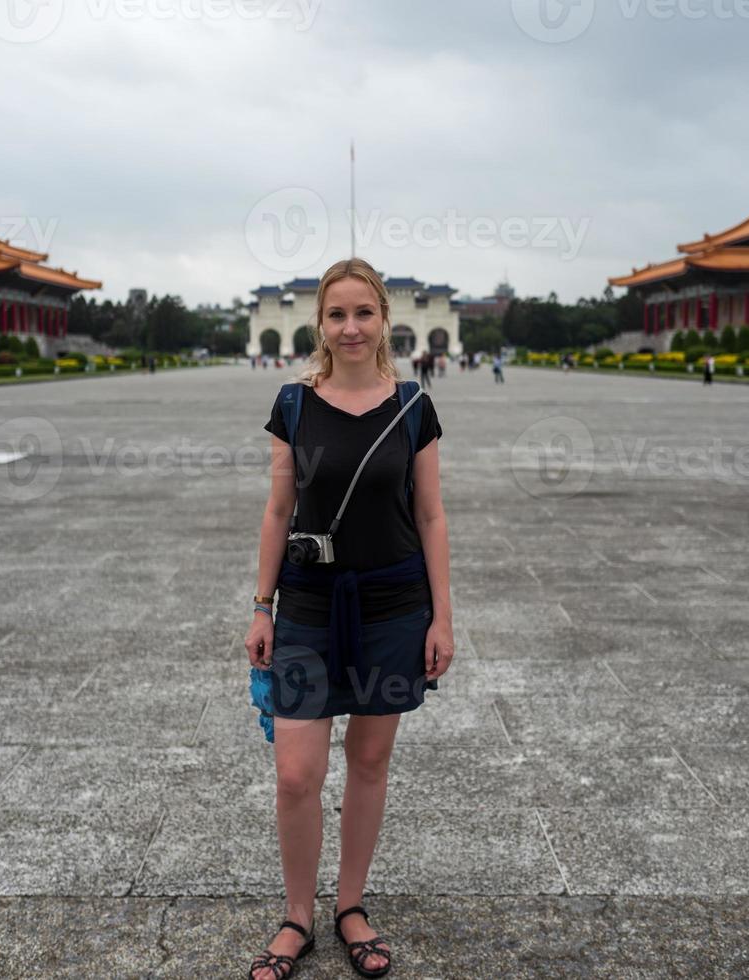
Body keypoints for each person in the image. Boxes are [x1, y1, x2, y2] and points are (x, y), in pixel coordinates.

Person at [246, 258, 454, 980]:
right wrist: (261, 605)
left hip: (394, 605)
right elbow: (278, 509)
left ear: (385, 318)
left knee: (369, 761)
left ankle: (351, 905)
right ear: (320, 323)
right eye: (338, 315)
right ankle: (296, 915)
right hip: (306, 604)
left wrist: (443, 619)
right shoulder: (294, 406)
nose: (351, 327)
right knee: (296, 774)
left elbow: (430, 514)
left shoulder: (414, 407)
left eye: (364, 313)